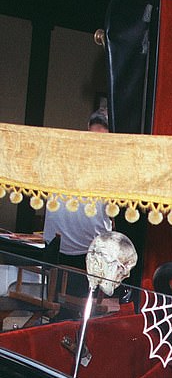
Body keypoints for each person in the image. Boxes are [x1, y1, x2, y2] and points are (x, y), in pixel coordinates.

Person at [43, 109, 112, 270]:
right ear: (88, 129)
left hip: (90, 248)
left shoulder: (110, 164)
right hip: (59, 245)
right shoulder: (65, 155)